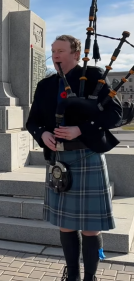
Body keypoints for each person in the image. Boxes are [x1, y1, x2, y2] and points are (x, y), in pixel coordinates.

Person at [26, 35, 122, 281]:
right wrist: (43, 134)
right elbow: (32, 121)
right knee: (65, 224)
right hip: (60, 160)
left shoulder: (94, 78)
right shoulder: (46, 85)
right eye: (53, 50)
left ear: (76, 54)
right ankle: (73, 276)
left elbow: (115, 115)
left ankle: (90, 277)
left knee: (90, 227)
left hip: (87, 155)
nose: (55, 55)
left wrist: (81, 129)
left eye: (60, 50)